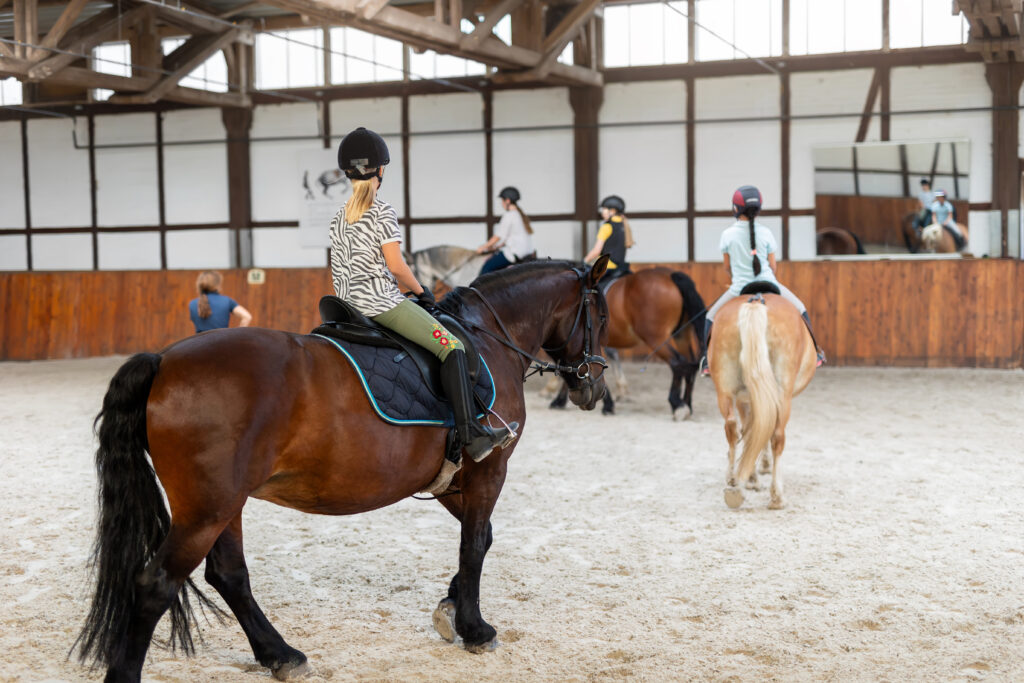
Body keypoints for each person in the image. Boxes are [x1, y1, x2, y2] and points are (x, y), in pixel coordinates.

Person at [331, 127, 516, 462]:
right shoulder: (381, 209)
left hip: (345, 305)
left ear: (347, 172)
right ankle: (471, 434)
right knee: (452, 347)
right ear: (381, 169)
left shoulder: (339, 216)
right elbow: (396, 265)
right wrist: (421, 291)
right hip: (381, 304)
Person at [701, 186, 825, 374]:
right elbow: (772, 266)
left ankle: (708, 362)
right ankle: (816, 353)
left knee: (709, 317)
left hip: (739, 288)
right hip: (770, 284)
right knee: (800, 308)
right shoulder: (766, 232)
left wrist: (737, 278)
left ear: (736, 208)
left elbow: (727, 267)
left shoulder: (727, 235)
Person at [476, 186, 535, 275]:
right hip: (526, 253)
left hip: (514, 254)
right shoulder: (519, 215)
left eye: (502, 201)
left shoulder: (509, 215)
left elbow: (498, 236)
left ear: (507, 201)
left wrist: (482, 247)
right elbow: (511, 237)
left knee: (486, 268)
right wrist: (496, 247)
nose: (502, 203)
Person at [584, 195, 634, 284]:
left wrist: (584, 261)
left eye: (604, 209)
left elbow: (596, 251)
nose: (602, 212)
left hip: (606, 267)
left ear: (612, 211)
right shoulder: (624, 225)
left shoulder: (607, 226)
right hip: (621, 267)